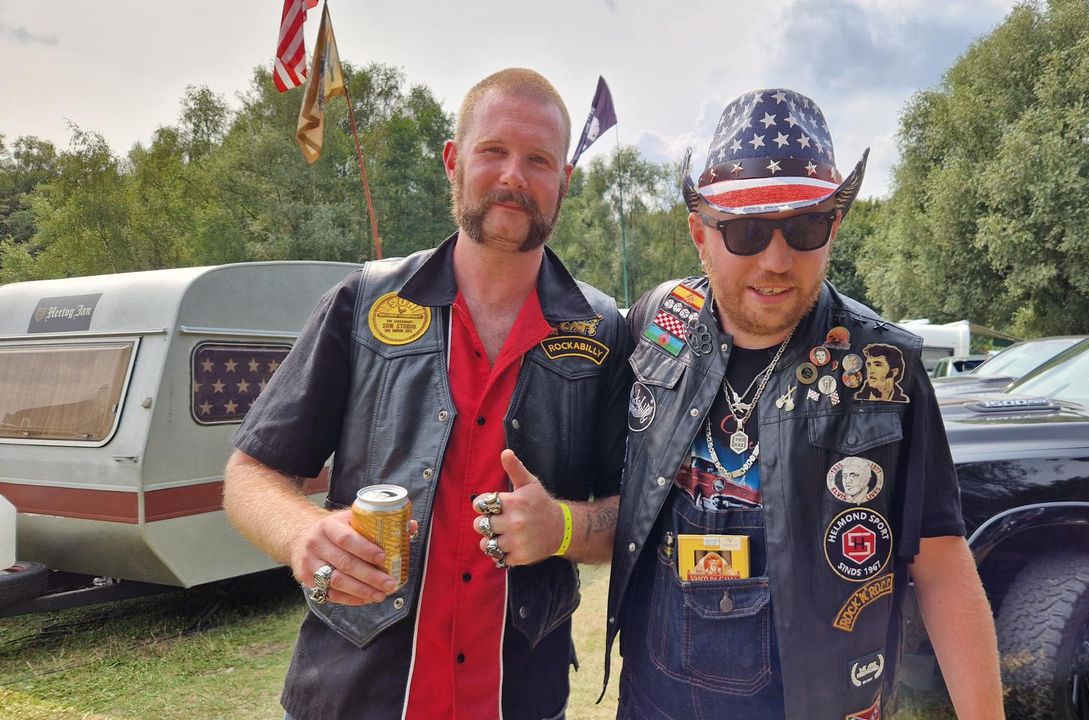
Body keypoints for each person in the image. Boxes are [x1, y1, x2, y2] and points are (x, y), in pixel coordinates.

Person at [223, 68, 630, 720]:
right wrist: (304, 534)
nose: (514, 176)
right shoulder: (362, 303)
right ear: (452, 161)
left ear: (565, 180)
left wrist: (563, 527)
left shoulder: (604, 332)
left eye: (539, 160)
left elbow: (631, 515)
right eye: (493, 150)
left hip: (519, 699)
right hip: (352, 696)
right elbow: (250, 474)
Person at [605, 89, 1004, 719]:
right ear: (700, 234)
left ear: (834, 227)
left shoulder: (885, 366)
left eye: (805, 227)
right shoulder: (659, 320)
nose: (777, 260)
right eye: (747, 231)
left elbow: (941, 562)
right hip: (652, 702)